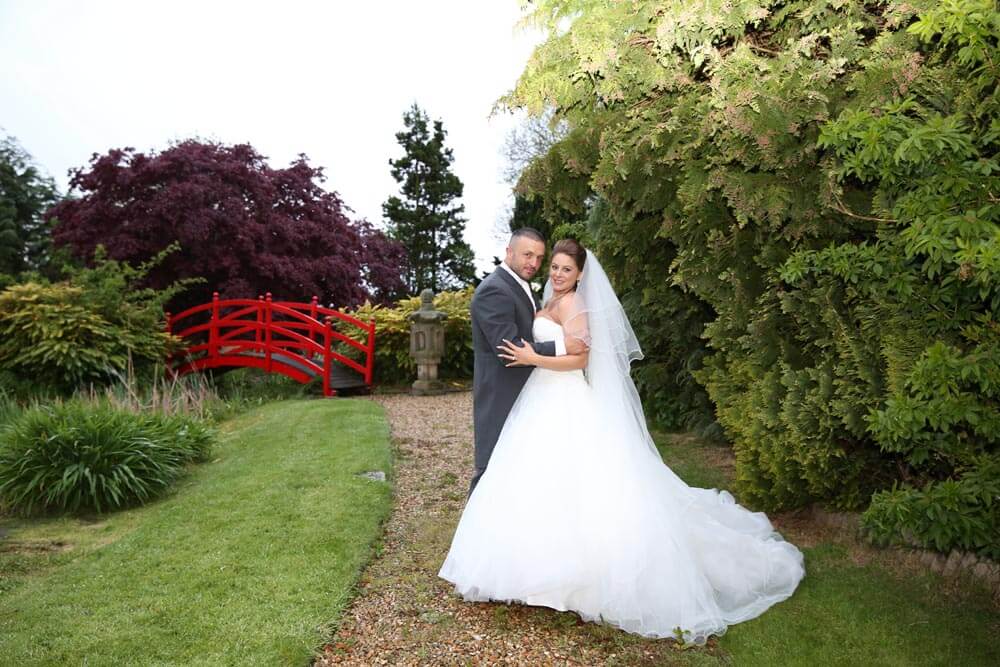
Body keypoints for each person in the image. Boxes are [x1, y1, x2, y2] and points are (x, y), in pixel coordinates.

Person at [439, 239, 805, 643]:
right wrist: (539, 355)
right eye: (552, 266)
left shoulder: (575, 303)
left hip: (563, 395)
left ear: (580, 274)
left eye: (564, 268)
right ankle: (535, 577)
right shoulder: (545, 299)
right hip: (539, 398)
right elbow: (551, 342)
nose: (556, 273)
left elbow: (580, 356)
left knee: (580, 486)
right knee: (538, 483)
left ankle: (574, 580)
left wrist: (535, 358)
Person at [467, 228, 586, 495]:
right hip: (502, 392)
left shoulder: (523, 287)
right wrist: (561, 345)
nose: (533, 263)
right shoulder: (494, 291)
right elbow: (510, 349)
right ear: (509, 252)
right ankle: (476, 531)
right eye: (527, 255)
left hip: (536, 392)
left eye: (539, 258)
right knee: (491, 467)